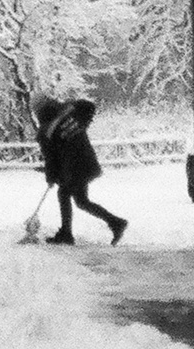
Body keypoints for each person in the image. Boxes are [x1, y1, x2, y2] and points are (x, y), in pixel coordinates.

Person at [32, 94, 125, 246]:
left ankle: (66, 234)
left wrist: (50, 177)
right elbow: (89, 106)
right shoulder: (70, 113)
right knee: (81, 201)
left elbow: (51, 158)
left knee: (65, 194)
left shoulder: (46, 131)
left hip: (73, 168)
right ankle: (115, 223)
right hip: (87, 163)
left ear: (38, 112)